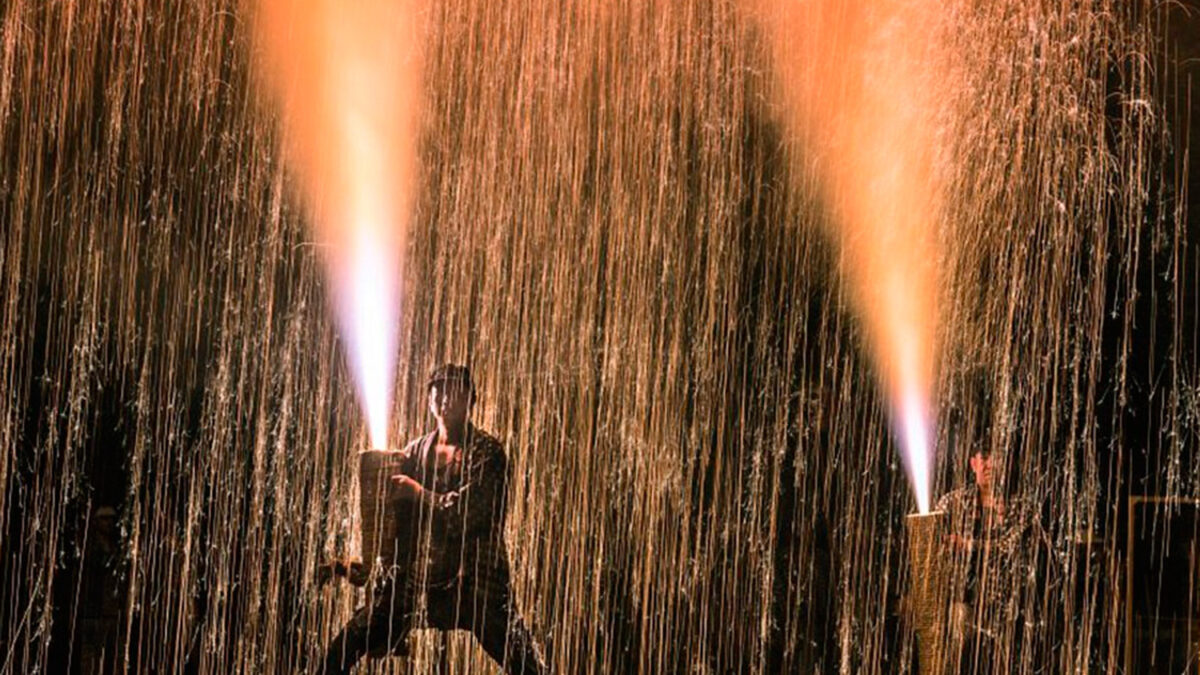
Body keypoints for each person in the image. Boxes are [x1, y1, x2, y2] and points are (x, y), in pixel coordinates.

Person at [319, 364, 547, 675]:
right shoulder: (414, 452)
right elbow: (390, 523)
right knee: (346, 645)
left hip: (474, 582)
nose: (445, 398)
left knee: (524, 661)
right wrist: (360, 564)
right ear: (429, 400)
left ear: (471, 400)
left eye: (455, 391)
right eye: (438, 391)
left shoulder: (487, 452)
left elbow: (468, 514)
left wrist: (417, 493)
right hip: (418, 582)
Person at [936, 445, 1040, 673]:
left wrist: (965, 545)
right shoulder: (952, 503)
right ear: (974, 463)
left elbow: (1008, 547)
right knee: (956, 656)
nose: (991, 464)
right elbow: (934, 541)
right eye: (985, 458)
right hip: (962, 602)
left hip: (1006, 606)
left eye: (998, 458)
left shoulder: (1020, 506)